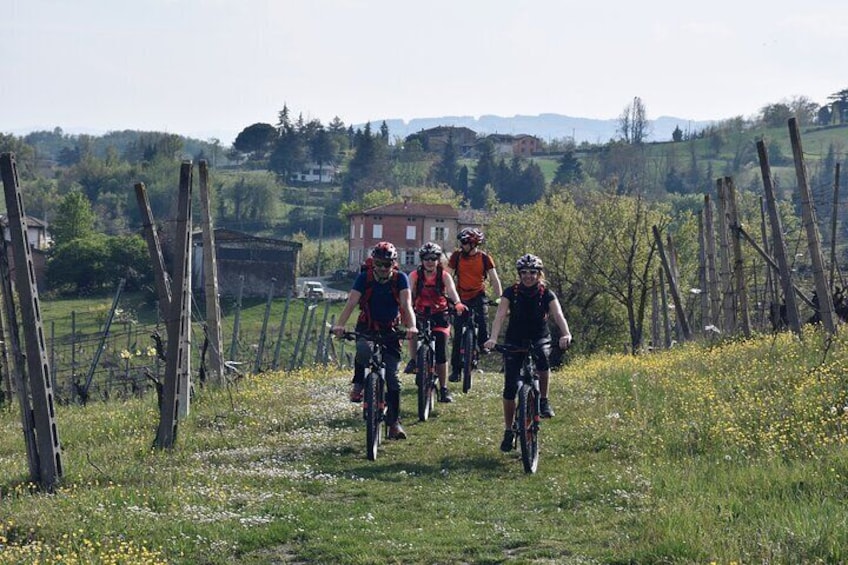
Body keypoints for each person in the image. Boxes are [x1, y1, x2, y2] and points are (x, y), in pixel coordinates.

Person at [483, 253, 572, 452]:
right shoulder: (510, 292)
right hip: (515, 338)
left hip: (539, 336)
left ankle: (544, 400)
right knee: (509, 388)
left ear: (539, 274)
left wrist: (566, 334)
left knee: (542, 357)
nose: (528, 276)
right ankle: (508, 430)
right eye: (524, 273)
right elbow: (499, 316)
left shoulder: (546, 293)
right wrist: (493, 338)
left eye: (532, 272)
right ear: (519, 274)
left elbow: (558, 314)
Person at [332, 242, 418, 440]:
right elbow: (351, 302)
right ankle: (358, 383)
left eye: (386, 264)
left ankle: (394, 423)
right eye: (378, 264)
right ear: (373, 264)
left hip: (391, 330)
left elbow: (406, 305)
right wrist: (340, 325)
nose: (382, 269)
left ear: (393, 264)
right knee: (363, 349)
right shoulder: (365, 278)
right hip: (368, 326)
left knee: (393, 380)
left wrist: (412, 326)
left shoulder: (401, 279)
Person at [404, 242, 467, 403]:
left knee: (441, 351)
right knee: (413, 332)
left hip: (440, 314)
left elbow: (452, 291)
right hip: (420, 312)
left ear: (438, 260)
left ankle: (444, 389)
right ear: (422, 260)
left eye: (433, 258)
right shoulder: (415, 275)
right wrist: (405, 307)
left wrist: (458, 303)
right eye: (426, 258)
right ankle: (413, 360)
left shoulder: (444, 275)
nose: (430, 261)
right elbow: (409, 293)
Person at [447, 227, 502, 382]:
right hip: (460, 296)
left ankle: (483, 345)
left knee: (483, 321)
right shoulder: (456, 257)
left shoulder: (484, 258)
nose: (461, 245)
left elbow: (494, 279)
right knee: (458, 334)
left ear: (473, 243)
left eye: (464, 242)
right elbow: (448, 275)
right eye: (461, 242)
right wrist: (446, 295)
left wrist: (500, 298)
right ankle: (456, 370)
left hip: (478, 295)